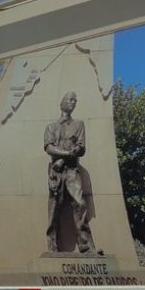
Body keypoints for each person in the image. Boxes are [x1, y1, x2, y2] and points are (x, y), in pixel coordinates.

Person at [44, 91, 96, 253]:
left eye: (75, 100)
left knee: (80, 204)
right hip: (56, 173)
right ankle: (52, 248)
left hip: (72, 171)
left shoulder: (79, 124)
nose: (73, 103)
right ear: (62, 103)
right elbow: (49, 147)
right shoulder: (51, 127)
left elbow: (80, 148)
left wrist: (63, 159)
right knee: (54, 209)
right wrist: (66, 154)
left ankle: (86, 247)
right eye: (70, 100)